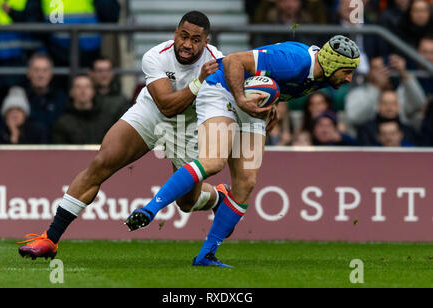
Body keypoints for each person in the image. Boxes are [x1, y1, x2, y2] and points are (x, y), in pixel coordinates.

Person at [125, 35, 360, 267]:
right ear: (331, 63)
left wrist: (273, 103)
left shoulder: (322, 75)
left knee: (246, 183)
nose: (349, 78)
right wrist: (240, 98)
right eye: (346, 71)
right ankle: (149, 210)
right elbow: (233, 61)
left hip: (249, 102)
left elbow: (274, 79)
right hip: (222, 90)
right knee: (213, 162)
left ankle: (206, 255)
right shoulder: (294, 61)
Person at [17, 11, 225, 260]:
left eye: (195, 39)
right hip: (153, 113)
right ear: (175, 34)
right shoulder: (156, 56)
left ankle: (217, 196)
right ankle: (50, 239)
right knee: (101, 163)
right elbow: (167, 107)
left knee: (187, 204)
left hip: (188, 127)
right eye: (183, 36)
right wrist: (199, 82)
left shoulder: (220, 63)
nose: (188, 44)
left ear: (206, 41)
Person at [345, 56, 427, 132]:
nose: (382, 71)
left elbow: (420, 104)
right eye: (376, 68)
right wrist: (376, 87)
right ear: (368, 72)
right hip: (369, 141)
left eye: (385, 67)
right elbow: (354, 117)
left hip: (401, 140)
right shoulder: (358, 93)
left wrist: (404, 73)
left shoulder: (401, 92)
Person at [51, 74, 126, 144]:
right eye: (78, 87)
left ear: (93, 92)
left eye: (87, 87)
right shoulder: (63, 123)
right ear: (71, 92)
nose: (83, 91)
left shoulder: (106, 121)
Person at [23, 53, 67, 143]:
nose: (40, 75)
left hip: (55, 150)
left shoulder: (61, 98)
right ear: (28, 73)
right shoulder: (20, 98)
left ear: (51, 74)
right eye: (36, 70)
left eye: (45, 70)